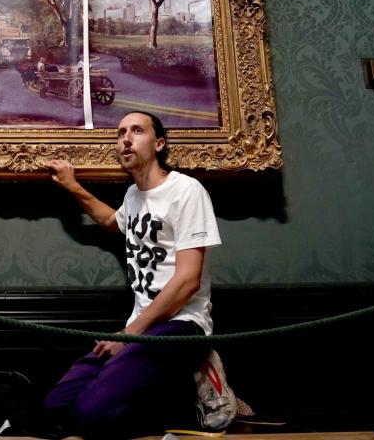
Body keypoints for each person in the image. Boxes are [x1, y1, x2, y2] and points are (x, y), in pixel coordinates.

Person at [44, 111, 235, 438]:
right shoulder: (133, 196)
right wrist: (72, 186)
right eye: (120, 133)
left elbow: (188, 281)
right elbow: (112, 222)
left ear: (159, 143)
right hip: (142, 327)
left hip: (183, 324)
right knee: (56, 406)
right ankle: (178, 387)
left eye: (137, 131)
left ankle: (200, 370)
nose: (125, 139)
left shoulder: (186, 191)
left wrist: (127, 335)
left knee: (90, 417)